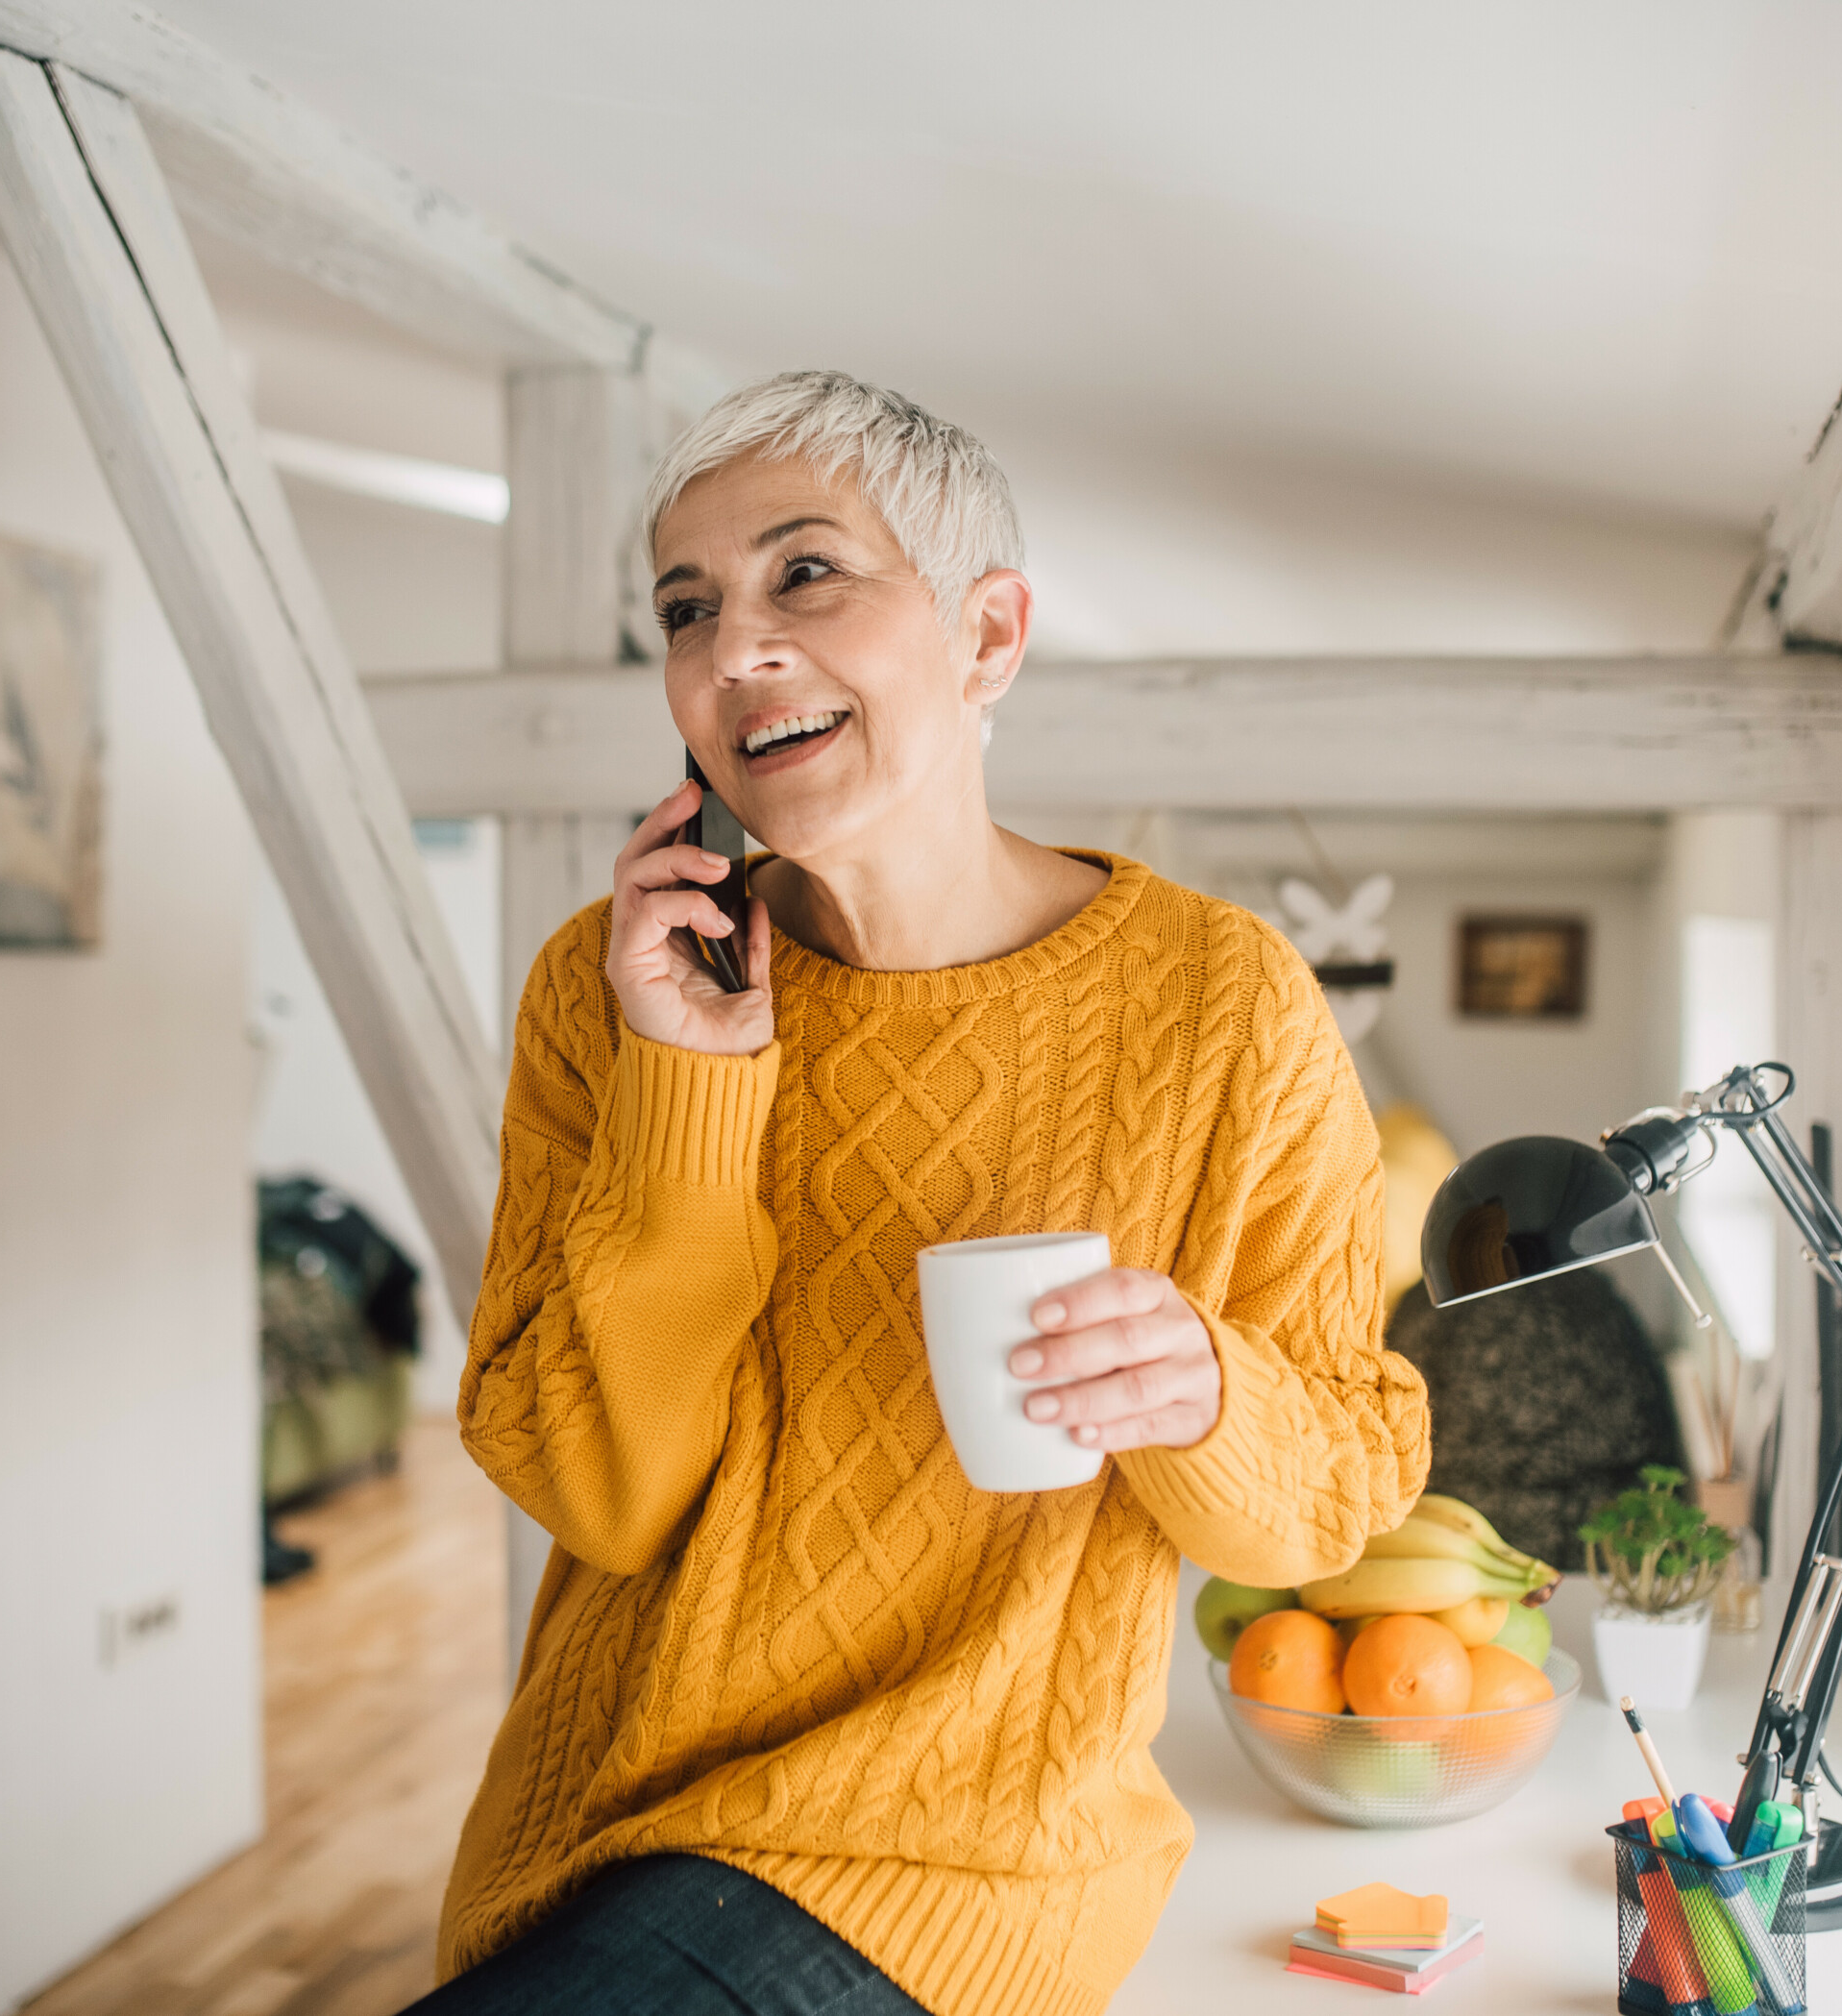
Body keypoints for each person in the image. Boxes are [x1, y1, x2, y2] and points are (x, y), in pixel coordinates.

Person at [412, 371, 1429, 2016]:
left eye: (806, 574)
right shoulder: (604, 991)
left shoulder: (1225, 1006)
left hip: (960, 1868)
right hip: (596, 1839)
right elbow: (598, 1496)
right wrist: (688, 1080)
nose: (736, 650)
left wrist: (1203, 1392)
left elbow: (1337, 1486)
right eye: (688, 608)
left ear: (988, 636)